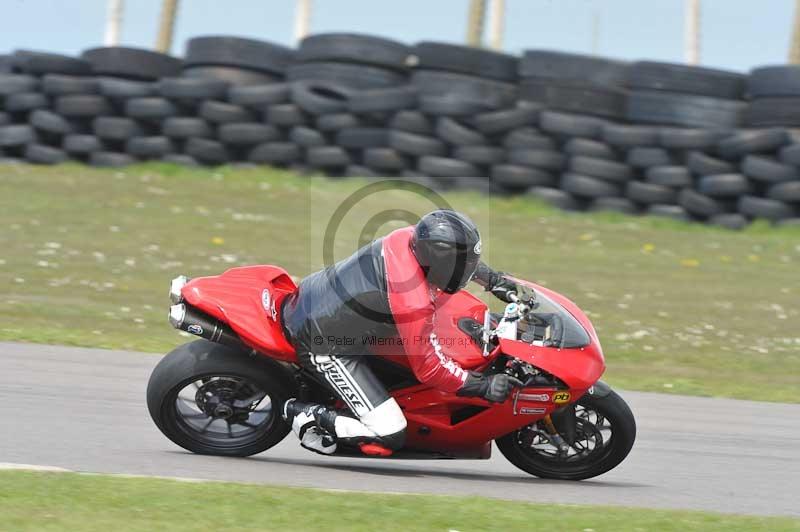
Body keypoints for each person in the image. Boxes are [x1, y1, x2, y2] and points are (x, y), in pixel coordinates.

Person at [280, 209, 523, 455]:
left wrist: (494, 280)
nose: (467, 268)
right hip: (324, 342)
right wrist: (481, 386)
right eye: (464, 264)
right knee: (389, 433)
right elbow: (430, 368)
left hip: (322, 299)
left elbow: (454, 256)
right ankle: (307, 413)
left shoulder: (410, 237)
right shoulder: (412, 301)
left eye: (470, 261)